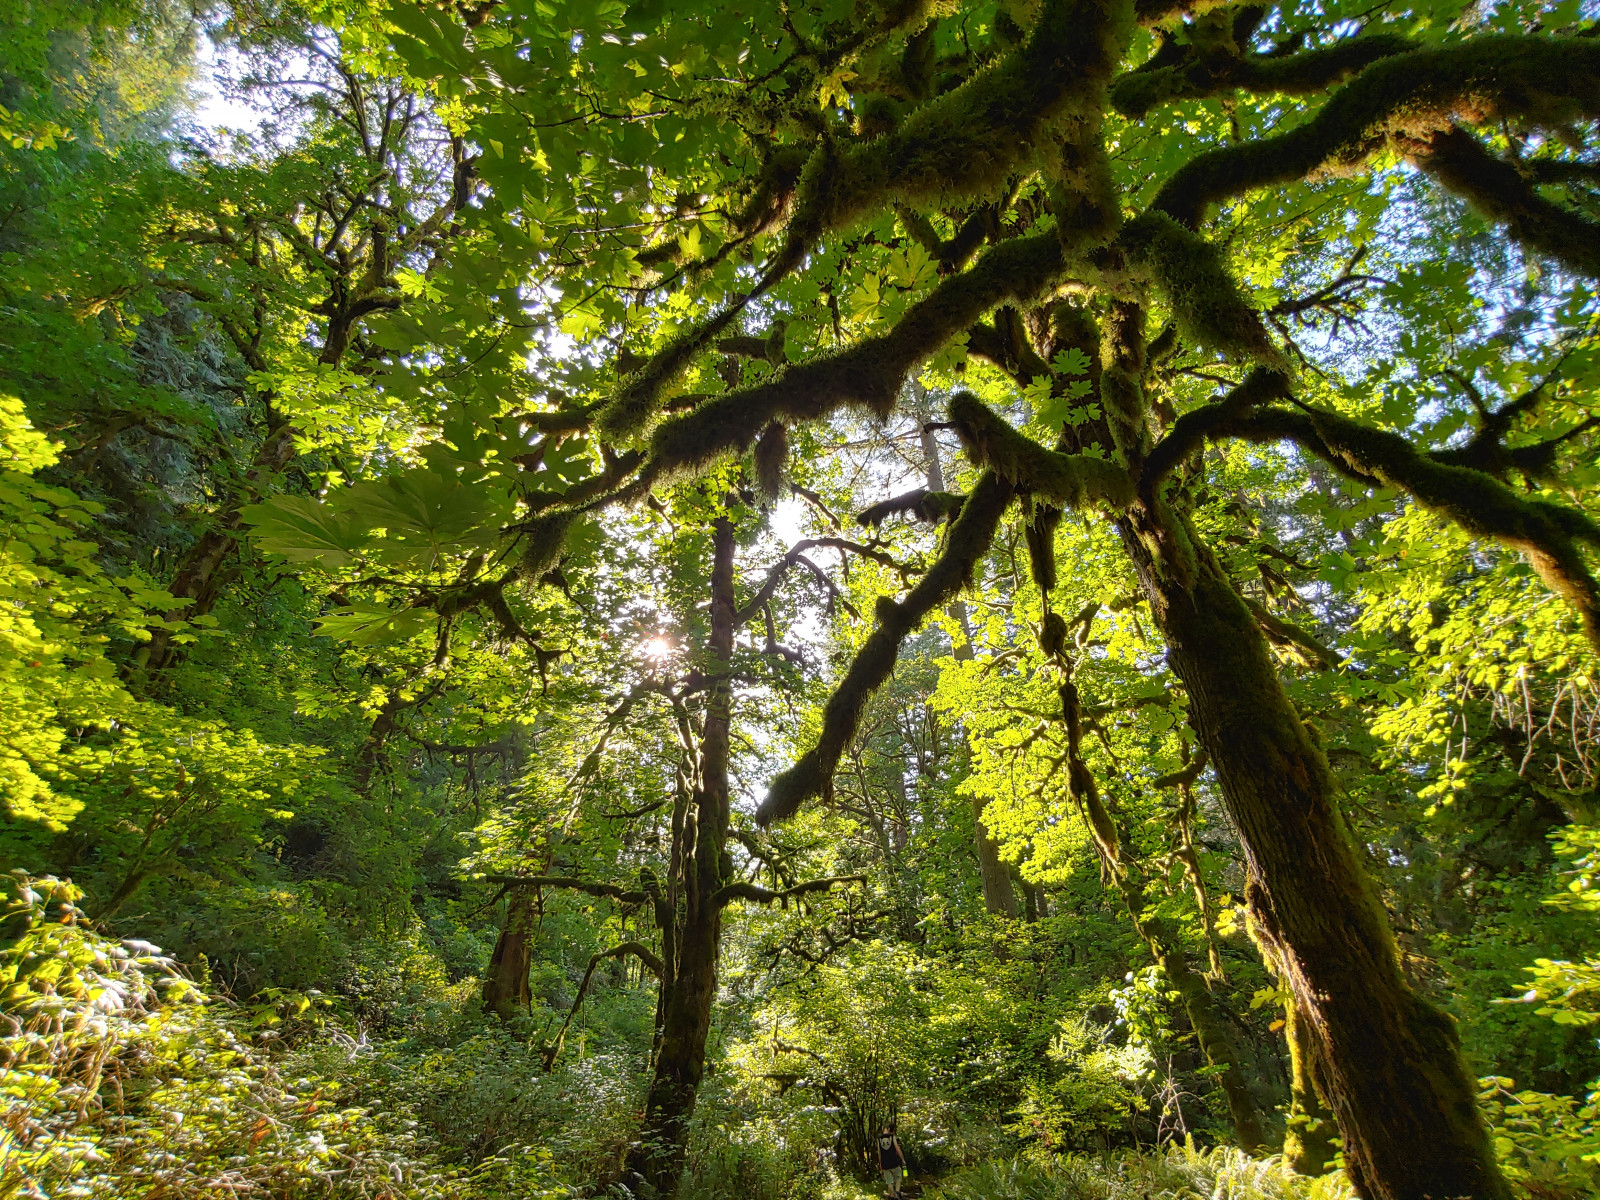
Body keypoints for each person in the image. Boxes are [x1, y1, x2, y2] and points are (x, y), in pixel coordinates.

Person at [877, 1122, 906, 1198]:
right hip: (894, 1162)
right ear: (889, 1129)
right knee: (898, 1177)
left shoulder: (879, 1138)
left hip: (885, 1164)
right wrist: (902, 1159)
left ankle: (892, 1194)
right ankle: (897, 1192)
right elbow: (897, 1149)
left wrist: (880, 1163)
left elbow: (879, 1152)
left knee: (889, 1181)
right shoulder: (892, 1136)